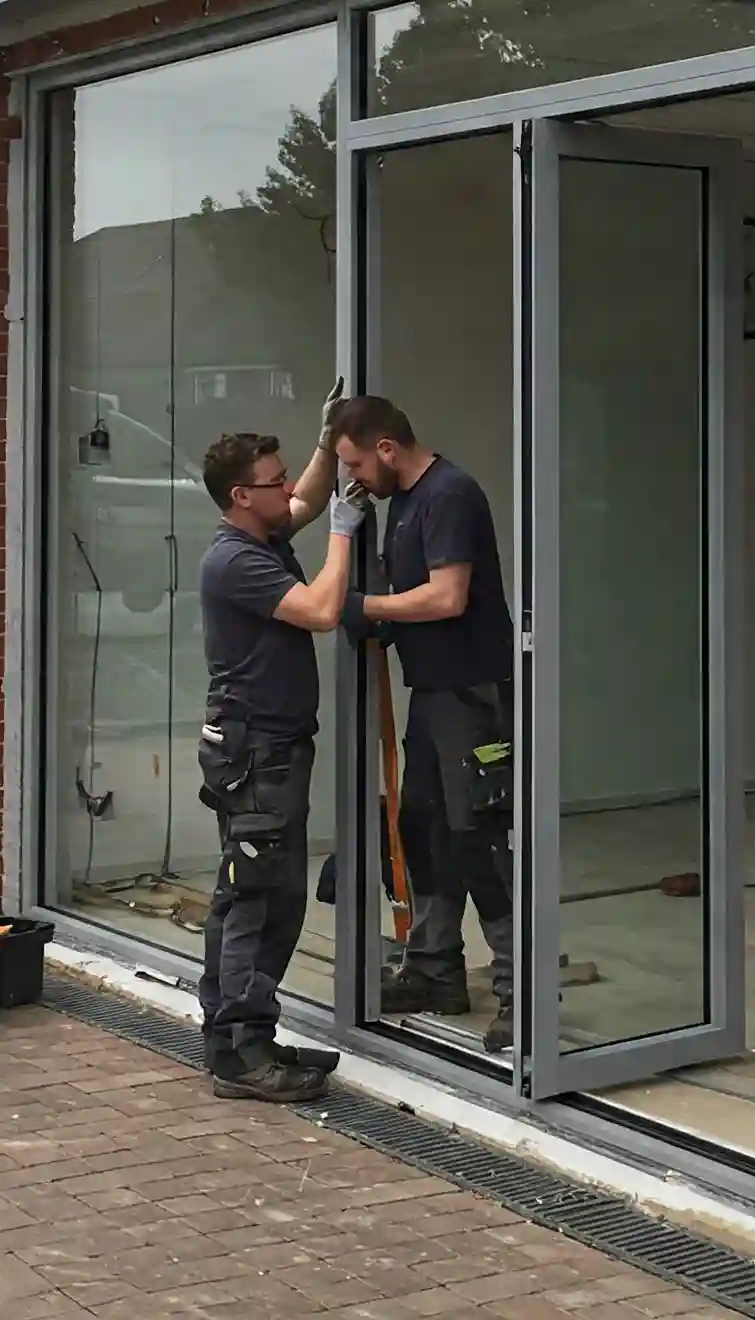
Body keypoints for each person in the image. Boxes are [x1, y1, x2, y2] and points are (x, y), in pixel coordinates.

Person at [329, 394, 516, 1051]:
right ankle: (435, 970)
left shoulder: (449, 494)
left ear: (387, 447)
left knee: (481, 838)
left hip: (473, 694)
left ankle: (519, 996)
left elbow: (448, 595)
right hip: (433, 692)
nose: (354, 479)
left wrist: (367, 606)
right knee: (425, 827)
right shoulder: (403, 501)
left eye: (355, 462)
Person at [195, 385, 364, 1103]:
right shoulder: (236, 562)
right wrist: (349, 530)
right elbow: (323, 611)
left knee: (255, 895)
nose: (290, 487)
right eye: (275, 479)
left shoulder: (260, 536)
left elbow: (305, 503)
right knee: (259, 899)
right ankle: (240, 1056)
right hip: (256, 752)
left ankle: (246, 1032)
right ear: (240, 495)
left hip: (269, 747)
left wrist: (329, 442)